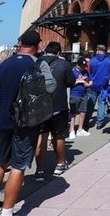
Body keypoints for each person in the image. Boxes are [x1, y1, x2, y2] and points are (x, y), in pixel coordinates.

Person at [0, 30, 55, 216]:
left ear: (20, 43)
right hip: (27, 123)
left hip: (4, 120)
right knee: (18, 167)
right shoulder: (38, 64)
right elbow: (51, 87)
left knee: (0, 163)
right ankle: (7, 211)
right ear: (38, 46)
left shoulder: (5, 63)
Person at [32, 41, 75, 182]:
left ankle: (39, 170)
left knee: (41, 138)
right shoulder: (64, 64)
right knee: (59, 136)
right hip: (59, 105)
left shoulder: (36, 62)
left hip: (39, 105)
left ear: (45, 49)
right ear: (59, 51)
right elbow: (71, 82)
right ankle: (60, 164)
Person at [84, 45, 110, 131]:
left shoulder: (91, 61)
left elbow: (87, 72)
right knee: (102, 104)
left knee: (90, 104)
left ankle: (86, 122)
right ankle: (99, 122)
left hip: (92, 85)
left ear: (97, 51)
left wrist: (88, 81)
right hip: (104, 85)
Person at [68, 57, 91, 138]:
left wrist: (89, 84)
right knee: (73, 112)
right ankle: (71, 130)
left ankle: (80, 129)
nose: (83, 68)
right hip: (75, 94)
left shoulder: (85, 71)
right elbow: (69, 83)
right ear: (78, 65)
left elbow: (90, 80)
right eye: (81, 66)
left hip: (84, 94)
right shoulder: (73, 71)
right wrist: (79, 81)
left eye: (84, 66)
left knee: (83, 111)